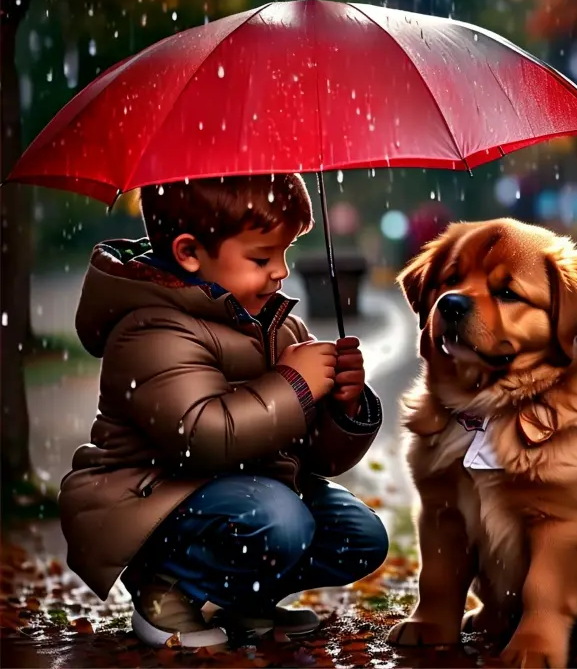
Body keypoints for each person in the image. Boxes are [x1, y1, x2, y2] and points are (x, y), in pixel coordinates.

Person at [58, 174, 387, 649]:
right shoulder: (151, 328)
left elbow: (316, 460)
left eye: (285, 253)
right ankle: (168, 590)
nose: (281, 271)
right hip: (159, 500)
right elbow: (202, 438)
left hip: (245, 496)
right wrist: (294, 386)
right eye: (261, 257)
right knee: (279, 519)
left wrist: (343, 405)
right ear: (190, 253)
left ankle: (241, 598)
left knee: (359, 535)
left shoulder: (275, 323)